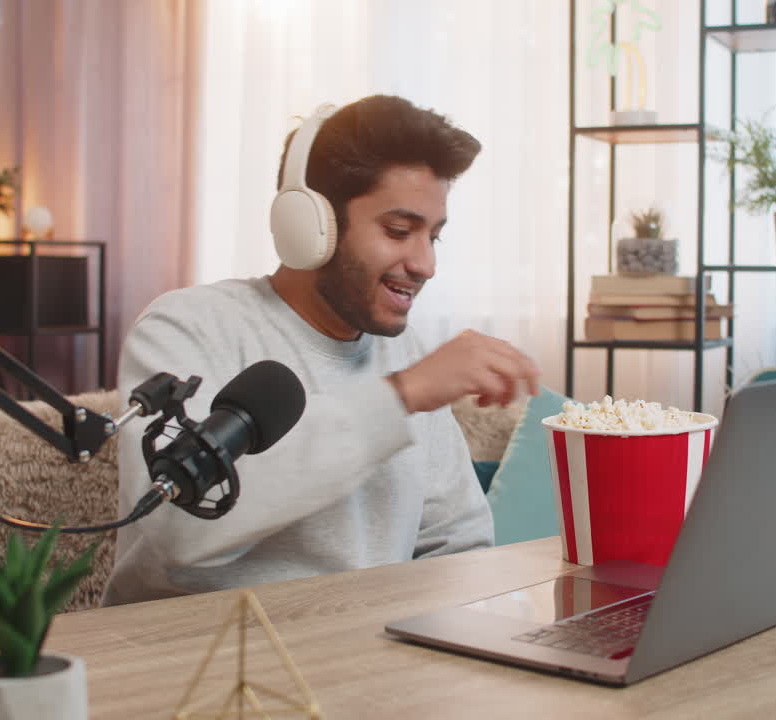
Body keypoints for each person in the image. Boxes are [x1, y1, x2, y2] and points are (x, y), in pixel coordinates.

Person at [102, 95, 540, 605]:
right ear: (312, 225)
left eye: (434, 237)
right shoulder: (187, 328)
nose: (425, 265)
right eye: (398, 231)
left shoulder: (406, 354)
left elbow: (458, 543)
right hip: (194, 663)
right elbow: (181, 530)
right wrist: (402, 396)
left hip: (363, 665)